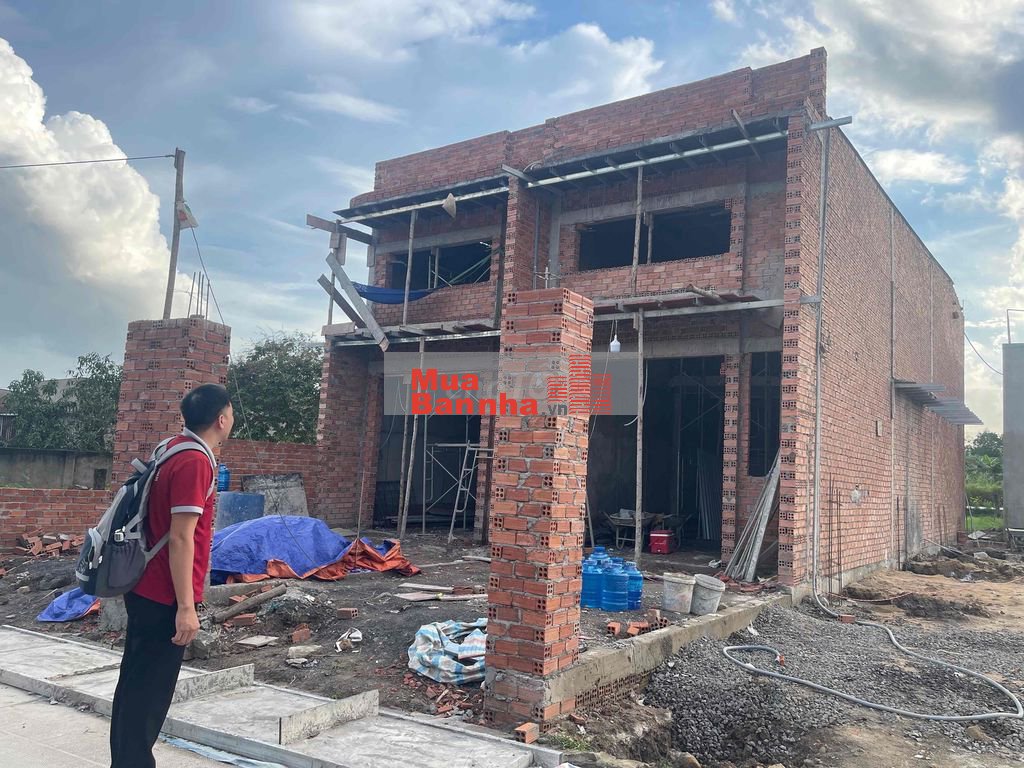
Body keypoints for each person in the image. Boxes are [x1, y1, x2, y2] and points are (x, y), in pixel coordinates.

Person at [109, 383, 234, 768]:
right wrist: (185, 607)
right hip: (164, 594)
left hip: (143, 582)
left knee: (135, 684)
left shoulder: (170, 448)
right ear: (221, 419)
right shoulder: (195, 461)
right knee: (148, 694)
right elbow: (181, 537)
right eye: (231, 413)